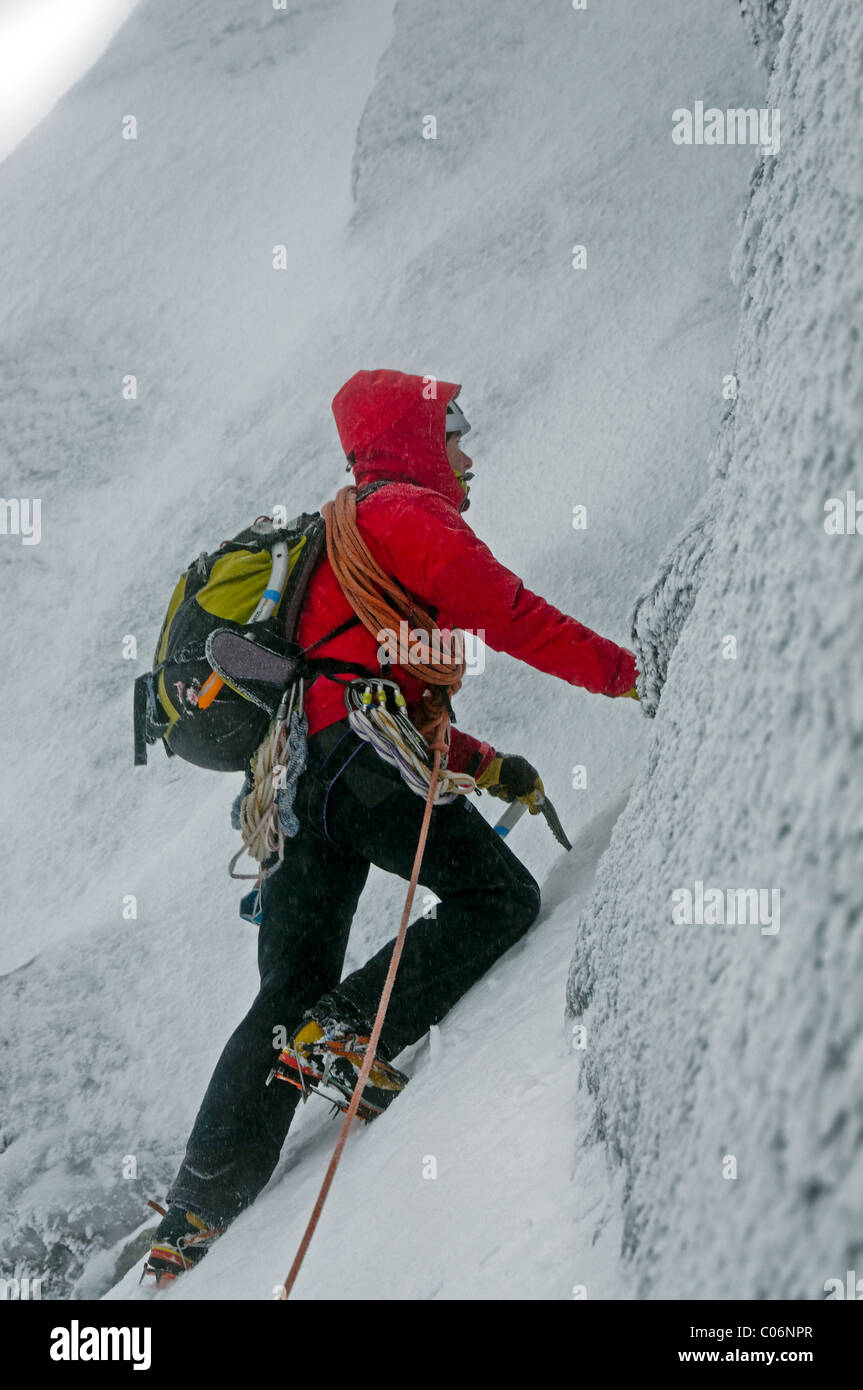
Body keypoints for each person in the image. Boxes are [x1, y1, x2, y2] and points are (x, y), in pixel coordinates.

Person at [144, 368, 638, 1281]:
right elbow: (510, 616)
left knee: (286, 987)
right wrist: (628, 673)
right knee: (496, 893)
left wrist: (489, 767)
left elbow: (358, 687)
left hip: (298, 783)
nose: (468, 453)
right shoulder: (403, 514)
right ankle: (349, 1031)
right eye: (454, 432)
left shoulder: (342, 536)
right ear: (415, 438)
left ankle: (197, 1210)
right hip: (355, 765)